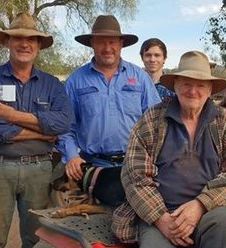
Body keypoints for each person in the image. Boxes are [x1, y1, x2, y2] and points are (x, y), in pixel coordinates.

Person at [111, 51, 226, 248]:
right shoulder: (152, 119)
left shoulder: (224, 121)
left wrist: (200, 205)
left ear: (209, 89)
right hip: (161, 215)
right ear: (175, 85)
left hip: (210, 212)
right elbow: (134, 174)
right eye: (186, 83)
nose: (193, 91)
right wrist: (161, 219)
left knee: (225, 220)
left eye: (200, 85)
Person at [0, 12, 73, 248]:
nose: (24, 44)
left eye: (32, 39)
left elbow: (63, 123)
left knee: (35, 244)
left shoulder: (51, 84)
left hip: (39, 171)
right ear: (7, 42)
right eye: (18, 38)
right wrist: (42, 132)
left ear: (39, 46)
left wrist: (13, 116)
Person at [57, 15, 161, 182]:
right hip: (92, 167)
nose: (107, 48)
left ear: (121, 44)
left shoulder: (140, 78)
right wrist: (71, 156)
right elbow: (64, 127)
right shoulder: (75, 81)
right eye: (101, 42)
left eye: (112, 42)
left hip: (135, 165)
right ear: (92, 44)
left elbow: (157, 122)